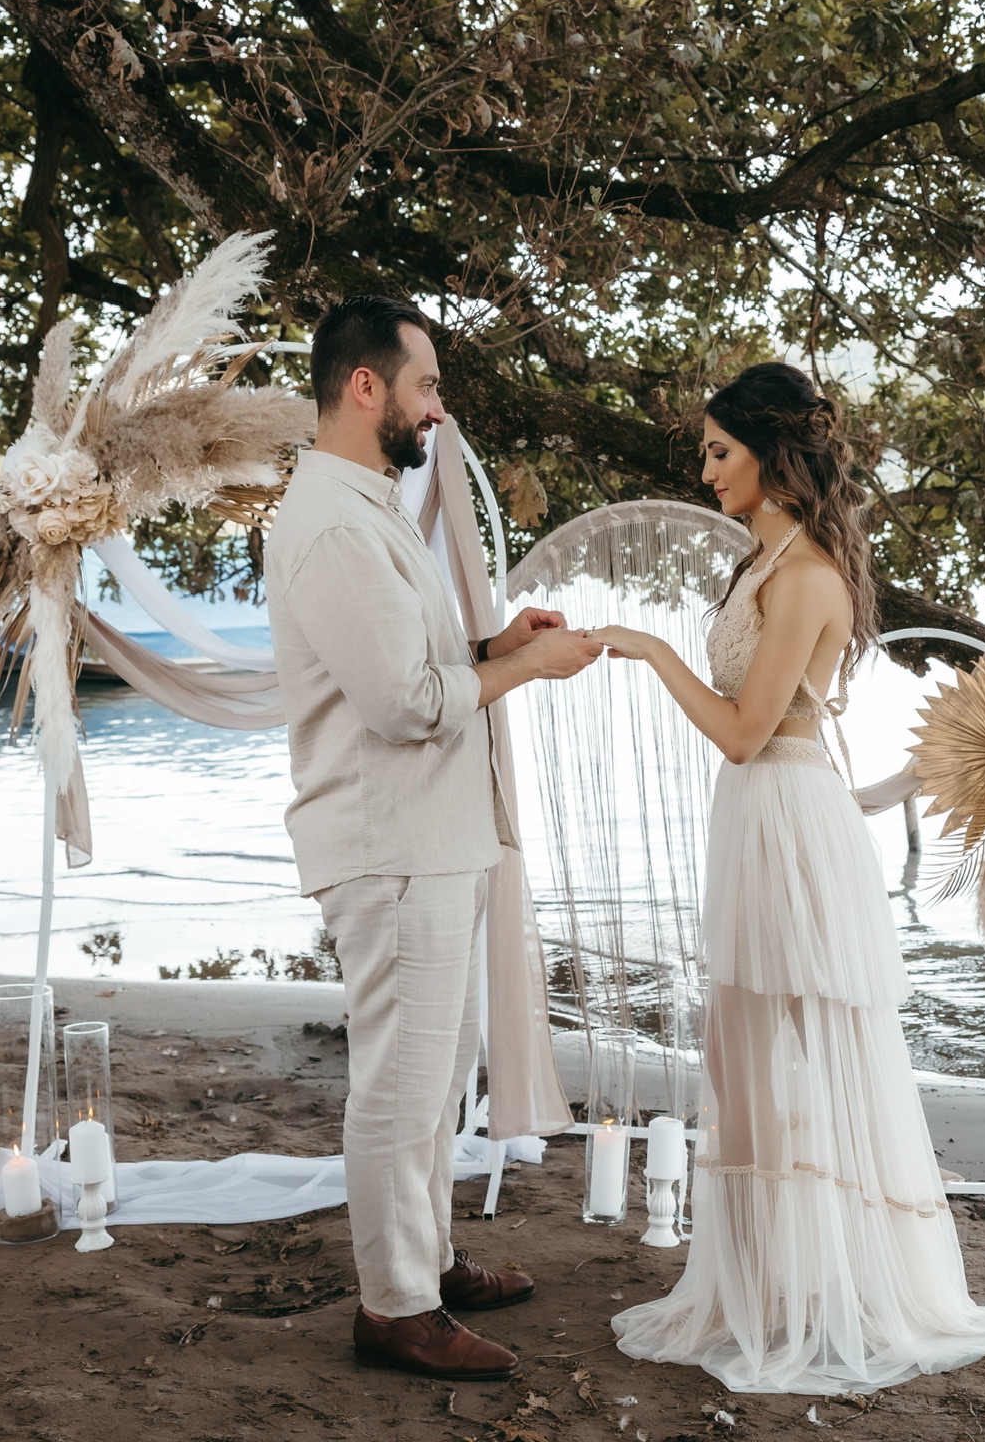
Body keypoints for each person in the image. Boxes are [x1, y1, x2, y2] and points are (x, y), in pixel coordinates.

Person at [592, 362, 985, 1395]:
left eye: (719, 451)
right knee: (742, 1047)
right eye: (705, 451)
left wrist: (644, 648)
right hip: (761, 814)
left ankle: (825, 1287)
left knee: (802, 1048)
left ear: (774, 458)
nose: (704, 467)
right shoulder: (762, 555)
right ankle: (765, 1280)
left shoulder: (809, 572)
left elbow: (742, 732)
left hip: (786, 813)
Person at [264, 295, 602, 1381]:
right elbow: (404, 703)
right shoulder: (326, 522)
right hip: (390, 841)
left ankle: (431, 1256)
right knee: (402, 1083)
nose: (436, 411)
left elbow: (412, 654)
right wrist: (524, 670)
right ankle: (395, 1308)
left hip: (431, 835)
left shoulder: (364, 504)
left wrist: (489, 639)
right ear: (365, 387)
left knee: (439, 1068)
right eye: (425, 387)